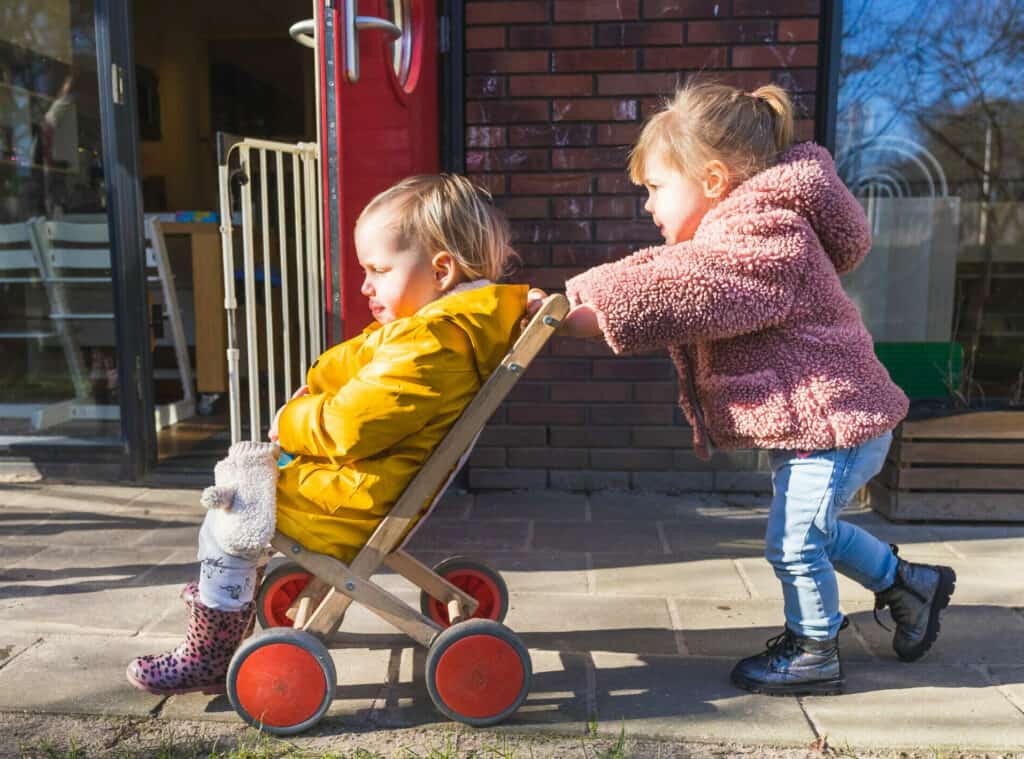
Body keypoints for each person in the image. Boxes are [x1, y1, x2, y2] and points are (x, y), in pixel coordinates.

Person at [529, 81, 956, 696]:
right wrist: (573, 296)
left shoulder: (765, 237)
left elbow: (682, 293)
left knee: (792, 543)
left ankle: (814, 648)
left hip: (834, 423)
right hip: (824, 423)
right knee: (818, 531)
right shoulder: (736, 229)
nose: (648, 206)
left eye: (654, 188)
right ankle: (910, 584)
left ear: (712, 179)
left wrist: (580, 319)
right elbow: (660, 268)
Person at [127, 174, 528, 695]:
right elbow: (351, 369)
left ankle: (211, 644)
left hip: (357, 500)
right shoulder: (436, 329)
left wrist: (293, 420)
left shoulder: (433, 343)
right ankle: (225, 595)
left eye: (378, 270)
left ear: (442, 270)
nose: (365, 286)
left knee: (232, 515)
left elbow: (350, 425)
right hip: (363, 486)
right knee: (238, 510)